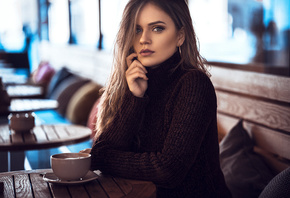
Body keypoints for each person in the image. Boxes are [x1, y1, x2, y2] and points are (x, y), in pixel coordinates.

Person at [81, 0, 232, 197]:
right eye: (137, 29)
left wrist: (102, 158)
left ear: (180, 36)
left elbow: (168, 170)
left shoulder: (194, 84)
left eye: (157, 28)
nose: (144, 39)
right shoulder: (136, 81)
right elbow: (104, 148)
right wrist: (134, 97)